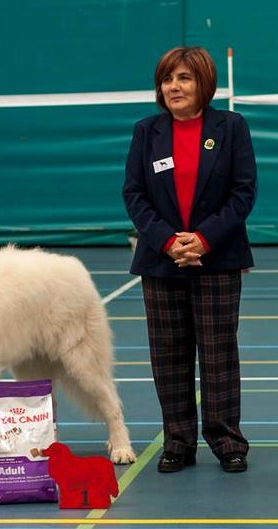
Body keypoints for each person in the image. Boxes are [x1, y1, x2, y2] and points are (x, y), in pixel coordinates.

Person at [122, 46, 257, 474]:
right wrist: (167, 242)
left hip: (216, 260)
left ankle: (226, 440)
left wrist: (201, 239)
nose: (174, 87)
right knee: (168, 354)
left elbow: (243, 193)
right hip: (161, 263)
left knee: (218, 354)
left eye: (184, 78)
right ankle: (178, 440)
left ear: (204, 83)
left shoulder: (231, 127)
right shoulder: (147, 131)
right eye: (167, 79)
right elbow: (134, 194)